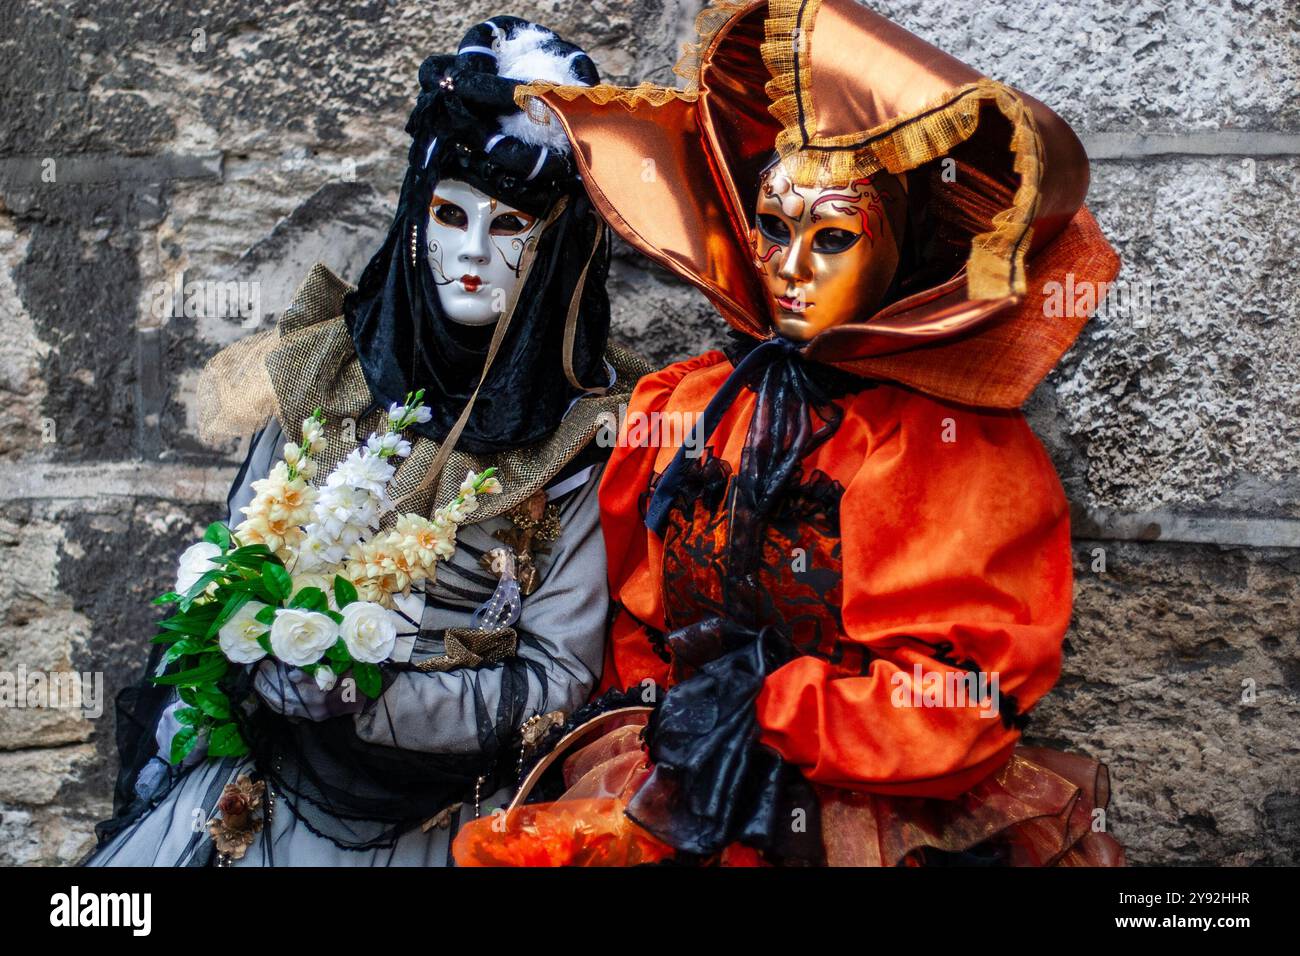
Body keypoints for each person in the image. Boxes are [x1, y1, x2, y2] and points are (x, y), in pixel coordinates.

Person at [453, 0, 1125, 867]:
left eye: (834, 236)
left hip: (873, 819)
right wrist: (668, 715)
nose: (790, 268)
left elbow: (966, 699)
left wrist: (774, 706)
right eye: (773, 226)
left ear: (906, 249)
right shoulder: (690, 406)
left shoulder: (946, 452)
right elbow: (635, 607)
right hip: (671, 789)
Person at [87, 16, 647, 867]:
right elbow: (240, 553)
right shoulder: (332, 369)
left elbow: (559, 679)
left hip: (447, 813)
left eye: (506, 229)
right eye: (449, 216)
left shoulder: (583, 433)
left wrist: (371, 700)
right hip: (260, 783)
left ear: (558, 245)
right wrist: (254, 647)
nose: (468, 255)